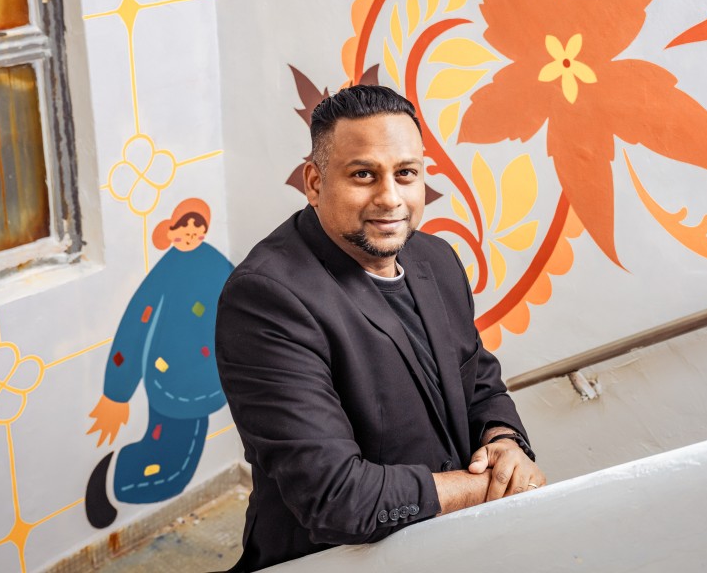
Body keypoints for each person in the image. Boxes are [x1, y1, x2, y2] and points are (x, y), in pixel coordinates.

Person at [215, 85, 544, 571]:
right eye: (363, 174)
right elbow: (336, 498)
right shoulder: (266, 299)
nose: (390, 198)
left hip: (448, 544)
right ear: (314, 181)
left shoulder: (436, 258)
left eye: (406, 174)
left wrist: (504, 442)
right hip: (335, 560)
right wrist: (491, 486)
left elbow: (479, 385)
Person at [84, 198, 233, 528]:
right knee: (170, 455)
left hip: (204, 380)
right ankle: (113, 482)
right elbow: (136, 325)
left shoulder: (216, 265)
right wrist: (116, 392)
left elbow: (243, 302)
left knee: (179, 456)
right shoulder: (167, 271)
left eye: (198, 228)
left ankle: (114, 481)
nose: (191, 234)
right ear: (172, 230)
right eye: (185, 228)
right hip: (171, 379)